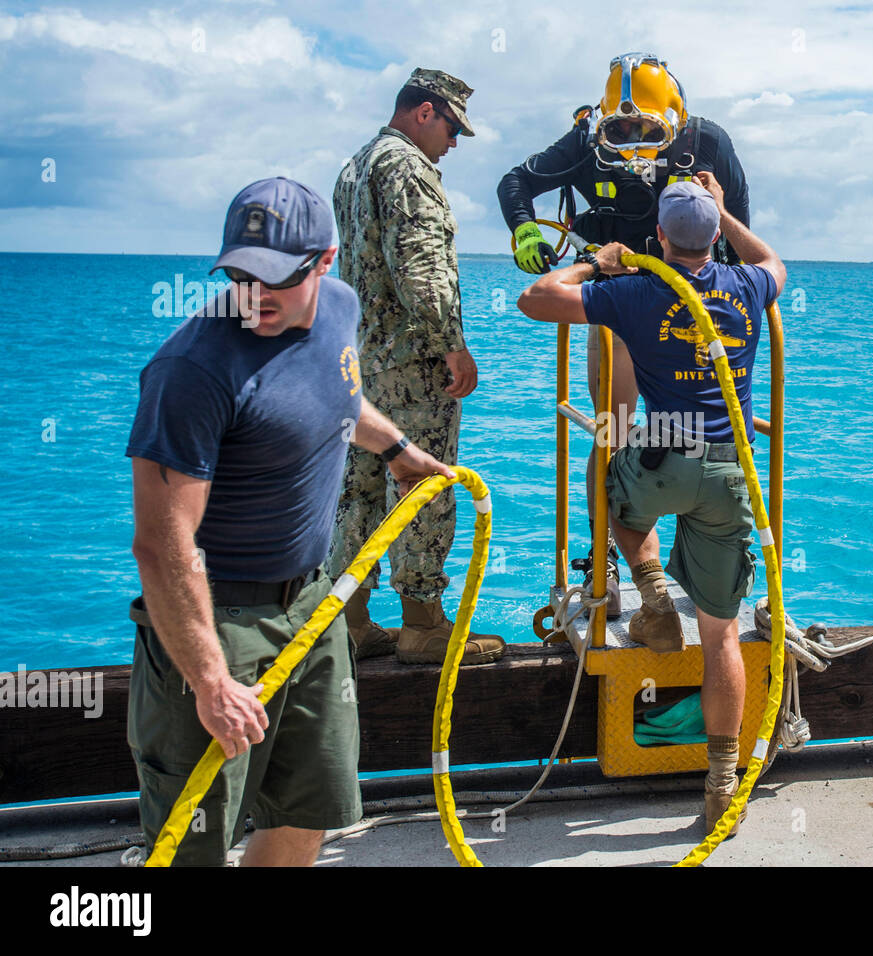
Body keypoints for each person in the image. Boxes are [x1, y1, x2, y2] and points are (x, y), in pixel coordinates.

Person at [126, 177, 457, 866]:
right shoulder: (189, 372)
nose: (255, 295)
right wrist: (212, 680)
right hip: (215, 619)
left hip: (314, 604)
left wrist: (395, 449)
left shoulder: (339, 306)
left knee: (312, 811)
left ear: (325, 262)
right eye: (241, 275)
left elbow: (335, 392)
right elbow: (162, 546)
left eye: (276, 277)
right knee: (195, 848)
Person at [516, 173, 784, 832]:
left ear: (659, 237)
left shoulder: (635, 291)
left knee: (605, 476)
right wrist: (726, 214)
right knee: (722, 633)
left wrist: (594, 260)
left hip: (663, 462)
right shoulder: (750, 286)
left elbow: (536, 298)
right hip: (730, 472)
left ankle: (651, 587)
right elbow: (772, 260)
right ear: (717, 235)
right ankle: (723, 777)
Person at [498, 53, 752, 616]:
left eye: (647, 130)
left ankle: (706, 553)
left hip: (692, 294)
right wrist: (522, 231)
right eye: (622, 130)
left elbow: (739, 226)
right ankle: (603, 558)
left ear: (676, 122)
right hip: (620, 293)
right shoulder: (585, 141)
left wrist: (731, 295)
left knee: (704, 424)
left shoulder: (708, 141)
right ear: (604, 123)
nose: (634, 142)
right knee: (612, 424)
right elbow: (515, 181)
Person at [331, 68, 503, 666]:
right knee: (425, 483)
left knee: (358, 491)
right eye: (452, 128)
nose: (453, 143)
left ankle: (347, 622)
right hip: (411, 359)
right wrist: (452, 344)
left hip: (360, 362)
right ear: (425, 112)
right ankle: (423, 624)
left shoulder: (353, 167)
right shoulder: (407, 166)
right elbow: (421, 266)